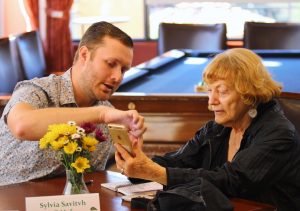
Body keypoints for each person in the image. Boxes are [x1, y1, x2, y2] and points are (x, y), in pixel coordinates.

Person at [115, 48, 300, 210]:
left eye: (222, 91)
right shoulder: (217, 128)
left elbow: (232, 180)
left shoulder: (279, 133)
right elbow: (179, 161)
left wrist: (152, 171)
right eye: (210, 91)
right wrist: (136, 164)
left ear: (248, 93)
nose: (211, 102)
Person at [0, 21, 146, 186]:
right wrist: (101, 114)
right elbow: (22, 125)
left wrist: (132, 158)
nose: (117, 77)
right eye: (111, 64)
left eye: (123, 70)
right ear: (84, 55)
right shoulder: (37, 90)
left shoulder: (107, 118)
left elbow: (88, 183)